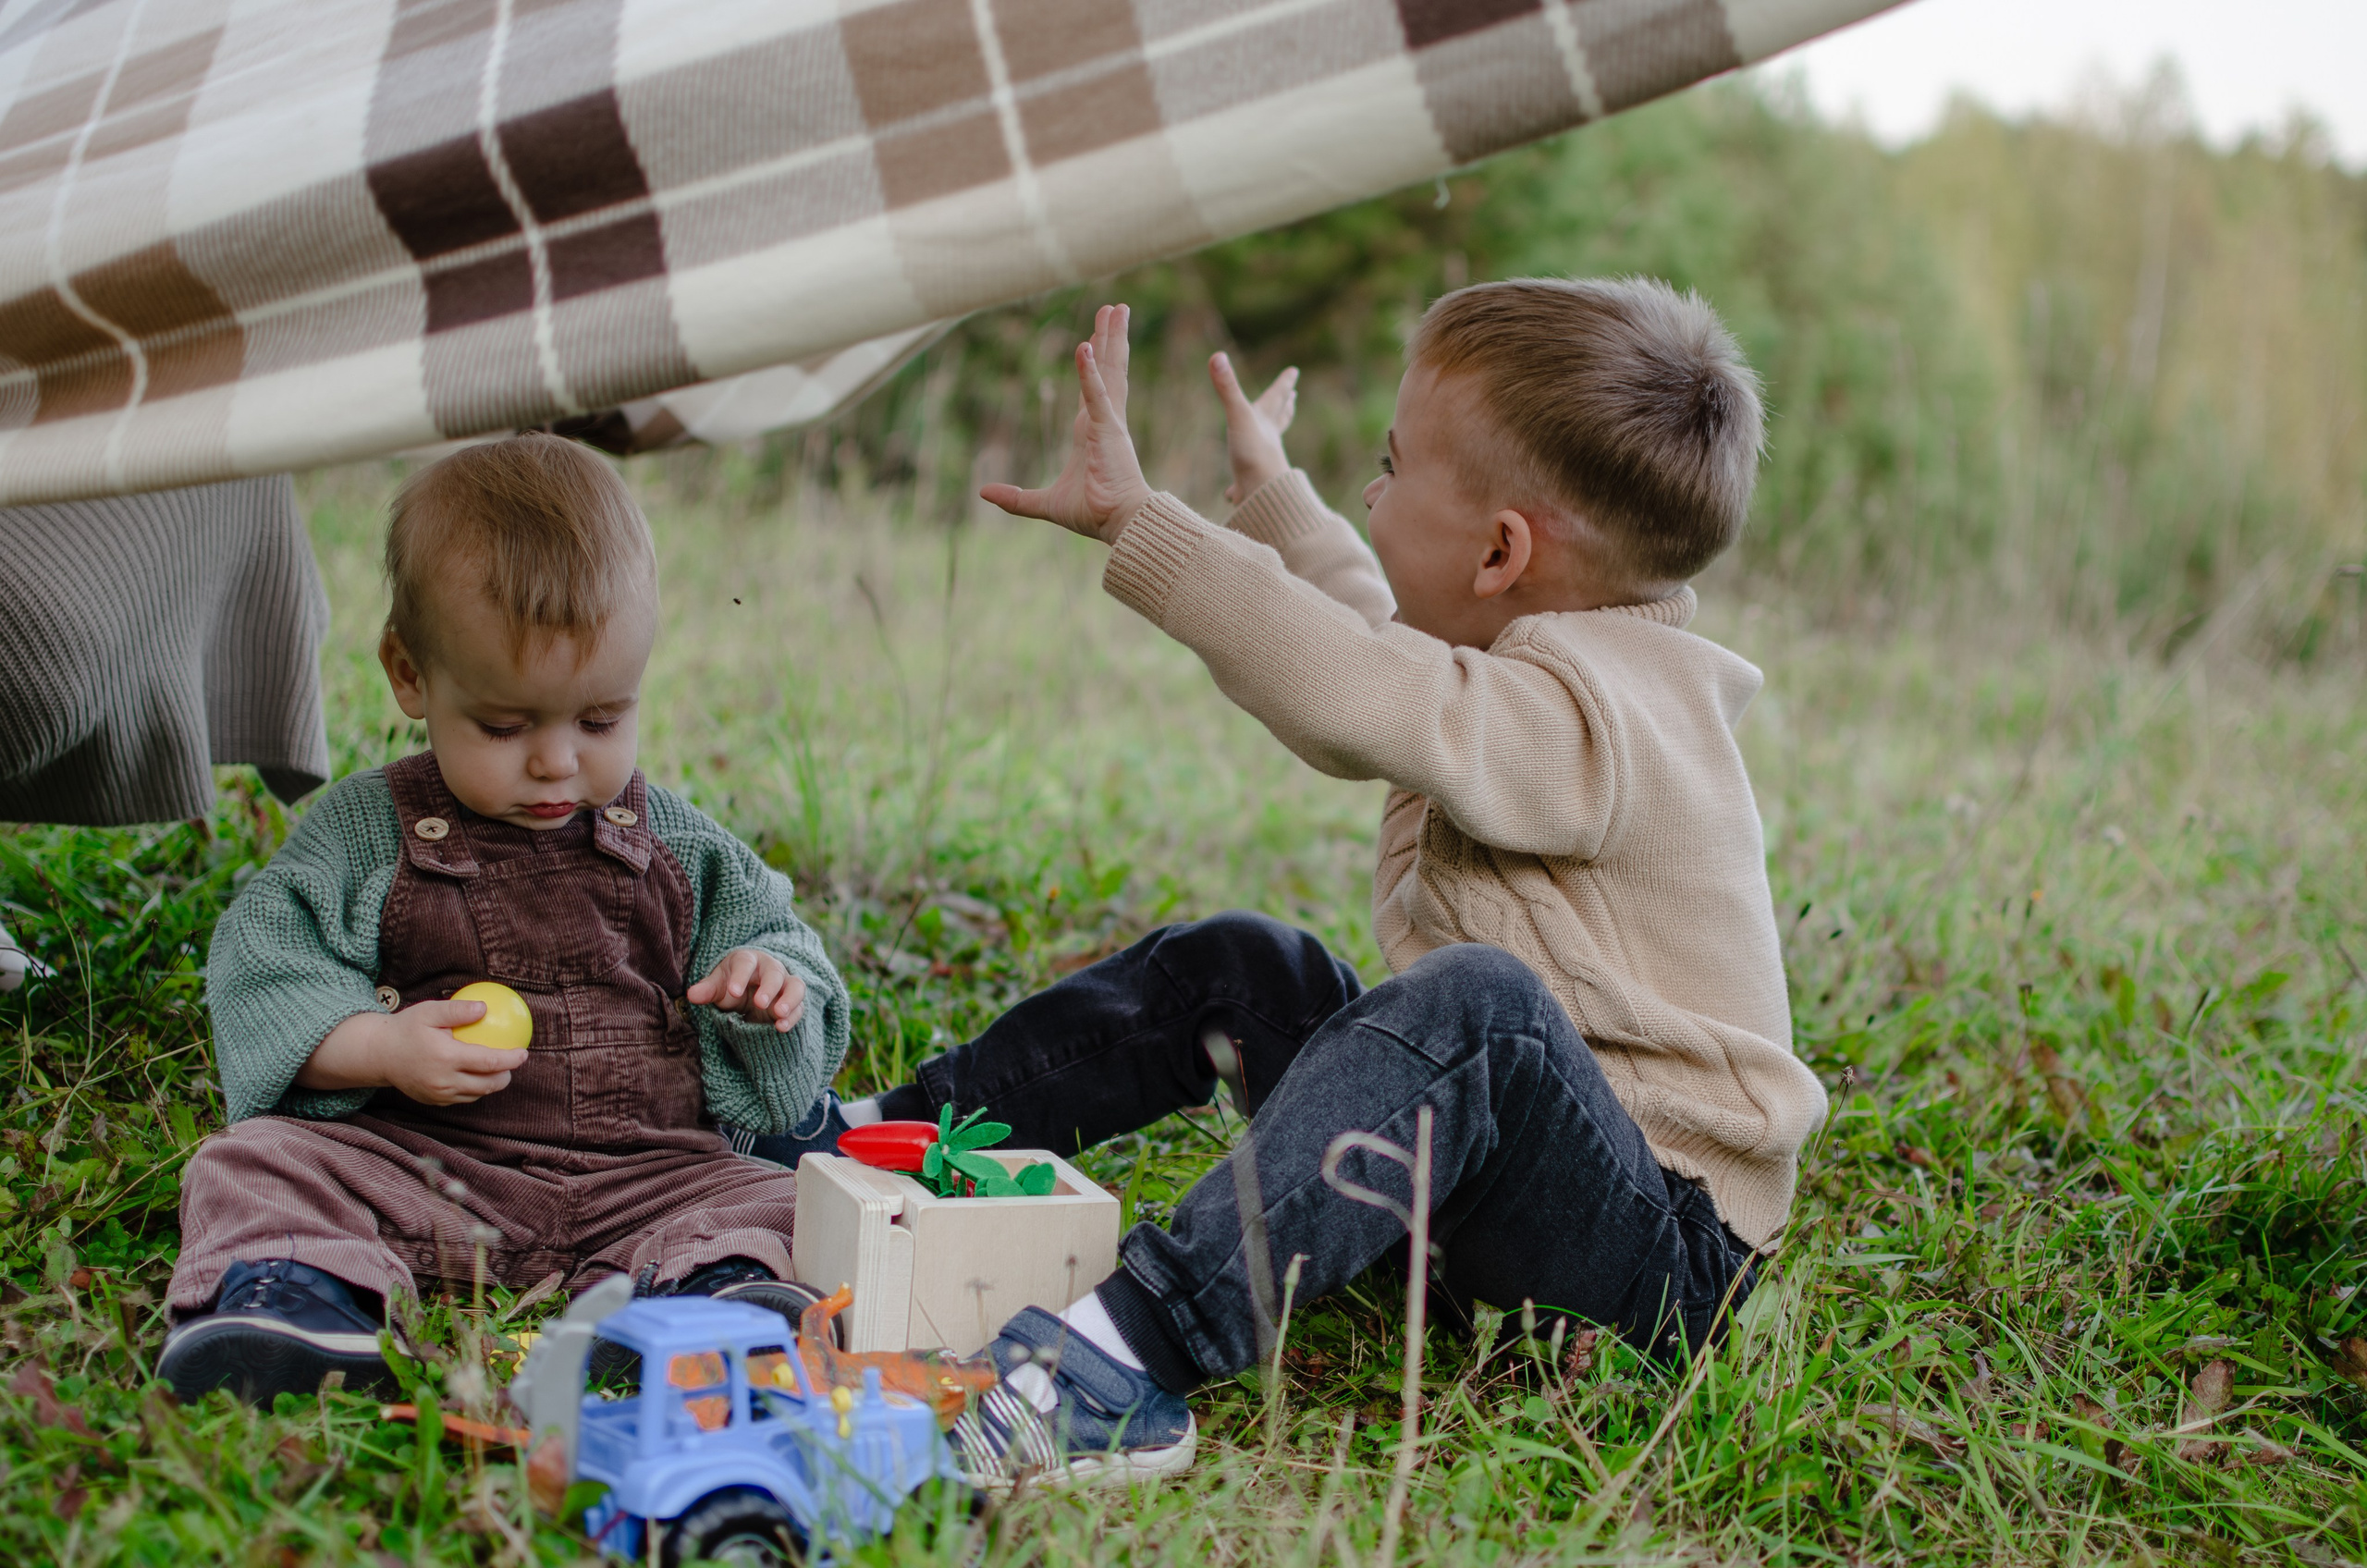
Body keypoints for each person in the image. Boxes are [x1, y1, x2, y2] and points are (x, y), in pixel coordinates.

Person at [751, 279, 1828, 1486]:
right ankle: (866, 1143)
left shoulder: (1612, 718)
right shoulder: (1512, 663)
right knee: (1252, 971)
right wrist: (1273, 500)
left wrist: (1143, 526)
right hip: (1497, 1202)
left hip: (1653, 1266)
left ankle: (1123, 1359)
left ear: (1502, 550)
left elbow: (1356, 685)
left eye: (1388, 466)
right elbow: (1376, 626)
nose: (1372, 492)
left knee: (1479, 1009)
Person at [159, 435, 850, 1407]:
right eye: (504, 724)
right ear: (410, 674)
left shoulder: (682, 850)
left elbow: (789, 975)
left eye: (600, 720)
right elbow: (264, 959)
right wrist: (377, 1045)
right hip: (421, 1169)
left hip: (642, 1180)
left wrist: (767, 989)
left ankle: (712, 1304)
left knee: (778, 1197)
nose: (556, 762)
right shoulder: (370, 834)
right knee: (257, 1163)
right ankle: (300, 1304)